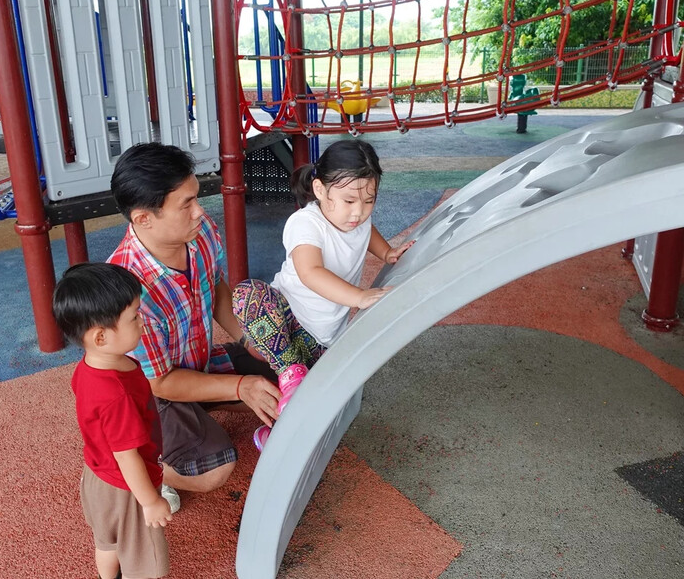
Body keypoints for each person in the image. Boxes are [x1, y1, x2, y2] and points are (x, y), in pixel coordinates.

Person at [107, 143, 281, 498]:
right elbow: (160, 382)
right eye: (185, 204)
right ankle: (129, 468)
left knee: (288, 374)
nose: (199, 211)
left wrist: (249, 340)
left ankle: (200, 408)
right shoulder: (127, 289)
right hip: (152, 392)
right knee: (212, 470)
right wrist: (240, 387)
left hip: (195, 361)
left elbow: (215, 286)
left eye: (196, 198)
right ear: (143, 219)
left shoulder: (198, 233)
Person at [232, 139, 414, 449]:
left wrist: (387, 253)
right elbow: (311, 272)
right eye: (349, 201)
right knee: (247, 294)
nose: (359, 212)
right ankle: (289, 372)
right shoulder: (306, 223)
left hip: (322, 341)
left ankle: (277, 431)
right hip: (285, 325)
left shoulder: (357, 219)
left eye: (369, 201)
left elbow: (366, 231)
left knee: (323, 405)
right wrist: (359, 297)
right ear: (319, 189)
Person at [52, 262, 172, 579]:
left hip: (97, 477)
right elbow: (127, 456)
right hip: (127, 487)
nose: (142, 321)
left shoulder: (88, 368)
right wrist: (150, 501)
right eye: (134, 316)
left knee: (107, 542)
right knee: (146, 561)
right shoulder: (118, 394)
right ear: (101, 337)